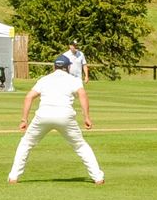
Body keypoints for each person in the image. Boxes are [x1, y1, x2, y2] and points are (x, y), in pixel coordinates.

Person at [7, 54, 105, 185]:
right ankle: (98, 178)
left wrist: (24, 119)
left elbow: (29, 97)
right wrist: (86, 117)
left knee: (26, 144)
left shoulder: (44, 79)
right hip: (65, 116)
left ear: (54, 66)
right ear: (68, 67)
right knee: (80, 145)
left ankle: (13, 177)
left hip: (43, 115)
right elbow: (82, 94)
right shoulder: (73, 79)